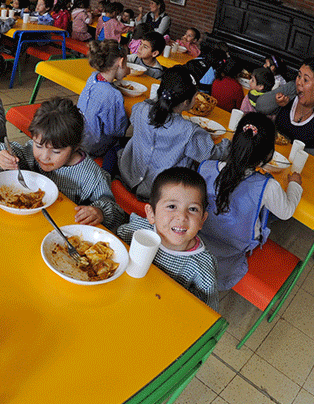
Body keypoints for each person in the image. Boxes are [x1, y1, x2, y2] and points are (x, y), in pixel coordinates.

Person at [0, 97, 125, 231]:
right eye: (38, 146)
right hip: (23, 222)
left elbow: (115, 212)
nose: (44, 157)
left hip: (62, 230)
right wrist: (1, 157)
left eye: (56, 151)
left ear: (75, 147)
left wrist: (100, 212)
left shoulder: (91, 176)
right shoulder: (28, 153)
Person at [197, 113, 303, 290]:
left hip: (200, 235)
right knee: (269, 214)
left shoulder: (206, 167)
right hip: (235, 246)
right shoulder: (268, 186)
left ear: (234, 141)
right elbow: (286, 212)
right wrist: (294, 185)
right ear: (269, 154)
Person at [119, 68, 230, 200]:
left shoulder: (141, 109)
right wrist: (227, 142)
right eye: (195, 96)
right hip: (160, 194)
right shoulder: (189, 132)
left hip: (127, 177)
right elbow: (212, 154)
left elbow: (138, 115)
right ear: (186, 102)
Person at [116, 168, 218, 309]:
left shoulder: (201, 268)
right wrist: (102, 213)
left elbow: (208, 314)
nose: (182, 216)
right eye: (172, 206)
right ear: (151, 214)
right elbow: (112, 248)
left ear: (202, 220)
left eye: (193, 209)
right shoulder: (138, 230)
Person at [254, 57, 314, 165]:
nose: (299, 82)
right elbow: (260, 105)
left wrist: (288, 147)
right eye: (299, 76)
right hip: (274, 158)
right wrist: (277, 103)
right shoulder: (292, 90)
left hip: (304, 167)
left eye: (305, 80)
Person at [78, 41, 130, 169]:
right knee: (128, 141)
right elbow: (115, 131)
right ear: (120, 62)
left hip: (80, 136)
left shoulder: (93, 77)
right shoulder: (112, 95)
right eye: (126, 64)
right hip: (94, 146)